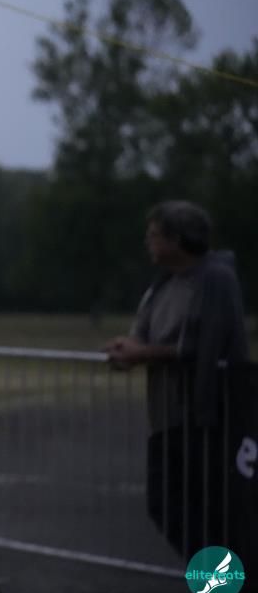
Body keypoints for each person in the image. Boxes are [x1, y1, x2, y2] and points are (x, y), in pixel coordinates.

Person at [105, 200, 249, 558]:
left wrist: (142, 352)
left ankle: (223, 584)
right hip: (166, 419)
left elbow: (202, 346)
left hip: (206, 419)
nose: (148, 242)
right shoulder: (162, 283)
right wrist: (127, 349)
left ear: (178, 240)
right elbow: (144, 337)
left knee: (208, 512)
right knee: (166, 506)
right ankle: (222, 582)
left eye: (155, 235)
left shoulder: (215, 279)